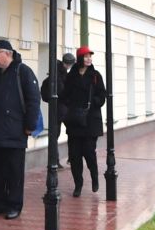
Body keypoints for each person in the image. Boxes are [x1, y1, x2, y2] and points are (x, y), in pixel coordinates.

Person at [0, 38, 41, 219]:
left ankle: (14, 204)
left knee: (14, 171)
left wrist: (30, 126)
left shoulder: (23, 72)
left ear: (8, 54)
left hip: (16, 131)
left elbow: (33, 100)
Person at [44, 46, 109, 196]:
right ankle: (78, 184)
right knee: (74, 156)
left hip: (90, 121)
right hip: (74, 121)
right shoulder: (71, 75)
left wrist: (93, 102)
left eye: (90, 56)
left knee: (89, 153)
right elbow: (65, 94)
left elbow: (102, 95)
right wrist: (67, 107)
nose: (88, 59)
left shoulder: (95, 75)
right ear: (80, 58)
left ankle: (94, 178)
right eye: (85, 56)